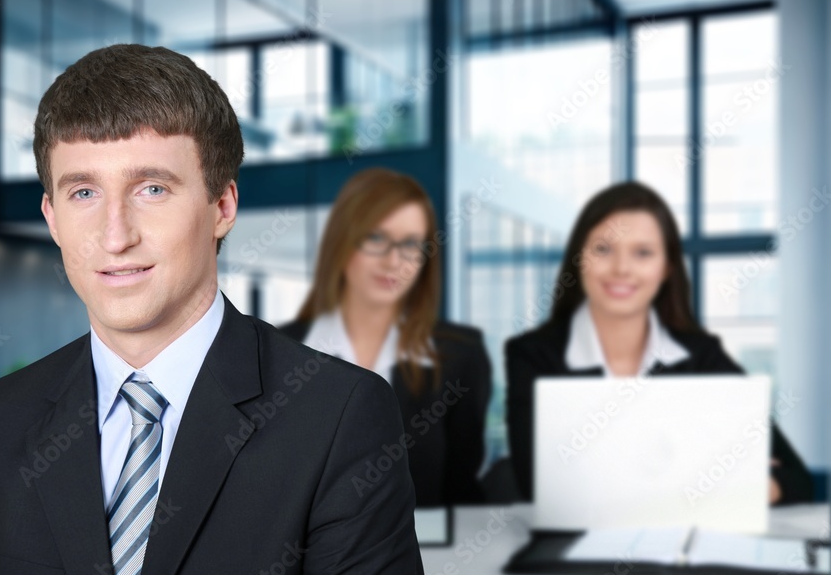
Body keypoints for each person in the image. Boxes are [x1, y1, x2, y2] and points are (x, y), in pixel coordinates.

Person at [0, 45, 426, 575]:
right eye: (84, 192)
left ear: (222, 207)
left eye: (153, 189)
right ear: (52, 218)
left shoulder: (339, 417)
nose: (115, 235)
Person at [504, 181, 813, 505]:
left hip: (685, 545)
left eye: (643, 253)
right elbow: (541, 486)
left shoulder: (702, 356)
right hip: (575, 548)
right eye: (603, 250)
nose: (622, 268)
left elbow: (796, 479)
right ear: (579, 258)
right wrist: (717, 478)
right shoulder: (533, 355)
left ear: (666, 267)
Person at [280, 168, 493, 507]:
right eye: (376, 238)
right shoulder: (278, 352)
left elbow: (461, 491)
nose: (394, 261)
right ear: (342, 242)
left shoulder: (459, 355)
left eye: (410, 244)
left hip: (427, 555)